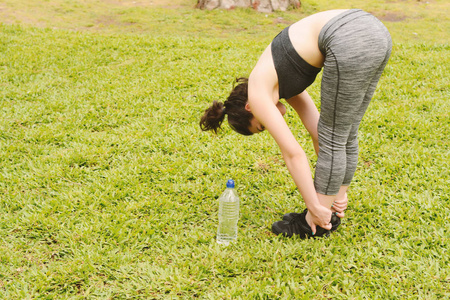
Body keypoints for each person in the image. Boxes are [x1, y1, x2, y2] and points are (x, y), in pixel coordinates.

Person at [200, 9, 392, 238]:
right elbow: (317, 131)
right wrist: (339, 193)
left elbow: (294, 155)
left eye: (261, 126)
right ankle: (330, 209)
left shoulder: (258, 94)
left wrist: (313, 204)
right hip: (376, 32)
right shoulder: (279, 79)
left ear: (249, 108)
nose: (272, 122)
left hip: (348, 37)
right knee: (345, 133)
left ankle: (314, 223)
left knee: (335, 135)